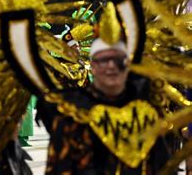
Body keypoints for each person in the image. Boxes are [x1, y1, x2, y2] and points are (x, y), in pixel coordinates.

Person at [38, 38, 171, 174]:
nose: (111, 66)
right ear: (93, 66)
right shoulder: (73, 113)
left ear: (128, 65)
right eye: (103, 60)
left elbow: (163, 164)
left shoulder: (147, 110)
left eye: (118, 60)